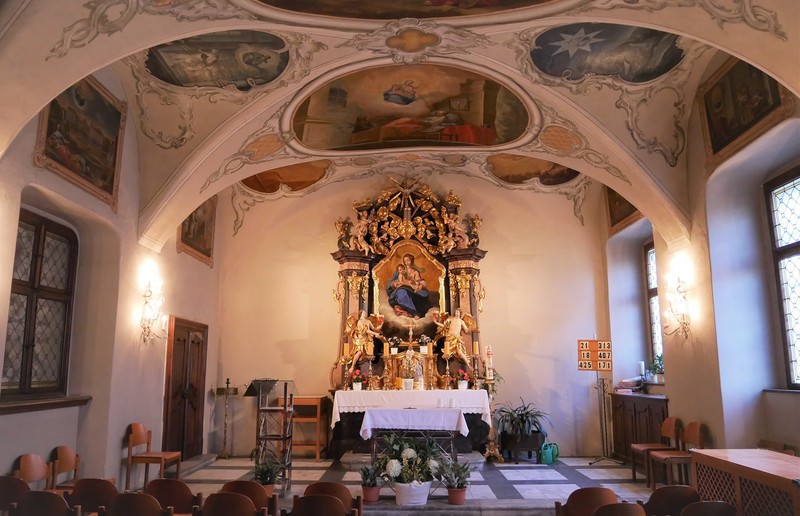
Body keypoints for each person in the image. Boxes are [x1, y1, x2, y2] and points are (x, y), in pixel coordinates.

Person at [386, 253, 430, 318]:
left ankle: (414, 312)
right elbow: (391, 282)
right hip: (402, 288)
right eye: (405, 261)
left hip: (411, 291)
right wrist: (395, 284)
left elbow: (419, 281)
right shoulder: (400, 270)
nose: (406, 262)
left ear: (411, 261)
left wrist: (420, 285)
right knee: (401, 293)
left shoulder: (415, 272)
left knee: (418, 297)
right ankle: (413, 312)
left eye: (408, 260)